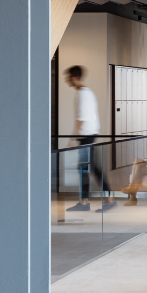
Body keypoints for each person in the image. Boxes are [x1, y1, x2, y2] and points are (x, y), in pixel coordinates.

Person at [64, 65, 116, 213]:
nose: (67, 80)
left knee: (87, 169)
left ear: (74, 77)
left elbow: (82, 119)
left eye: (68, 77)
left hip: (86, 136)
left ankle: (105, 200)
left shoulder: (82, 94)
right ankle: (87, 201)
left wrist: (74, 138)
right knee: (86, 168)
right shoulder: (87, 92)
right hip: (88, 135)